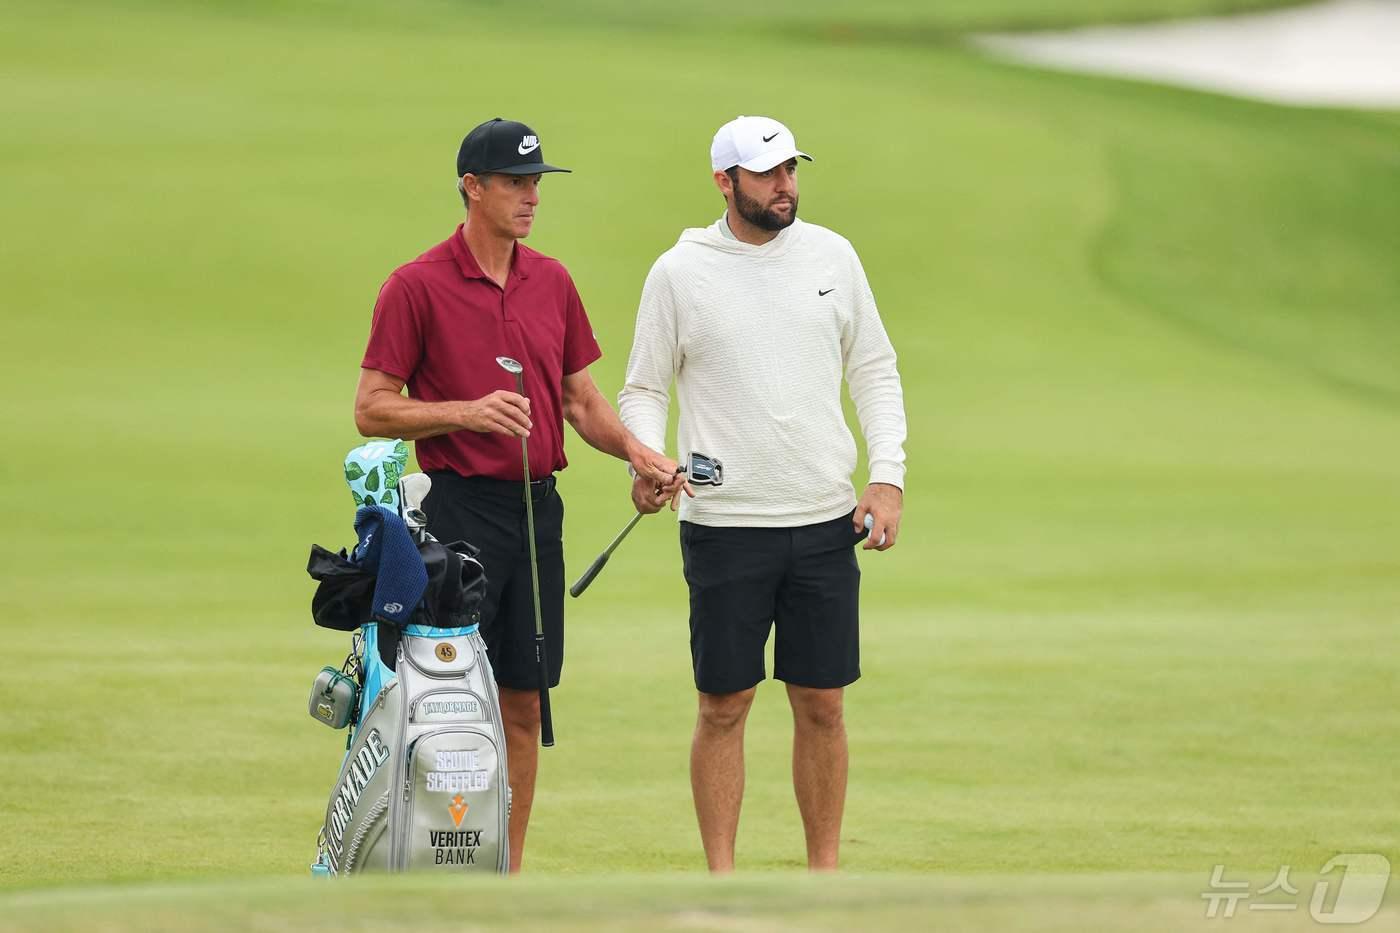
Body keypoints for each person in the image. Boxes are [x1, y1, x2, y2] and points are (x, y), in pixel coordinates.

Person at [353, 117, 681, 872]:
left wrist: (639, 453)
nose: (532, 196)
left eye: (538, 182)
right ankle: (428, 860)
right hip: (455, 511)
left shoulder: (552, 281)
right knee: (437, 704)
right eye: (516, 183)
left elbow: (580, 399)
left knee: (524, 700)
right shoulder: (416, 285)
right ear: (473, 187)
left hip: (536, 512)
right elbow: (373, 405)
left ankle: (507, 872)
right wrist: (464, 411)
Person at [618, 115, 908, 872]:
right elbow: (644, 386)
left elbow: (873, 369)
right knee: (723, 706)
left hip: (822, 519)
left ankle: (824, 882)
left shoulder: (832, 257)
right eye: (768, 173)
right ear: (725, 182)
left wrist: (887, 475)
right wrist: (646, 458)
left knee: (824, 704)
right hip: (724, 525)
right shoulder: (680, 272)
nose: (786, 185)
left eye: (791, 170)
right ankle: (724, 883)